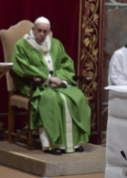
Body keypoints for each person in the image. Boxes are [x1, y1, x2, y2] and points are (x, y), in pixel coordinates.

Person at [11, 17, 91, 155]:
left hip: (57, 83)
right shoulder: (21, 45)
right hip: (35, 85)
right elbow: (22, 67)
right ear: (33, 30)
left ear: (49, 32)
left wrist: (60, 79)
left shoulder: (56, 44)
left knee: (78, 97)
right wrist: (47, 78)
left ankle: (73, 143)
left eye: (45, 32)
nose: (41, 34)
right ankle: (52, 144)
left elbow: (67, 64)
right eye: (39, 31)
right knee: (51, 100)